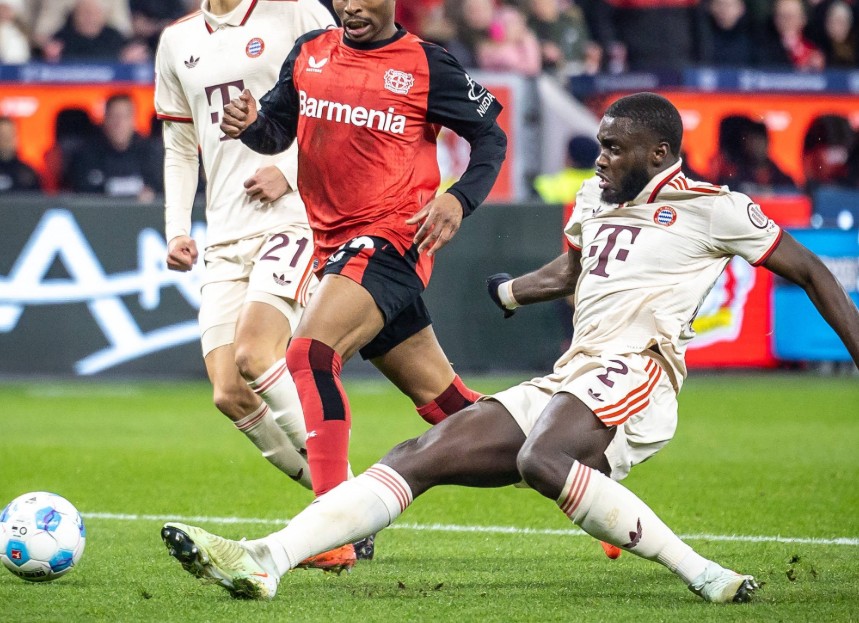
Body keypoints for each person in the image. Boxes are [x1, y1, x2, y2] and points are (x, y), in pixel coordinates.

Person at [160, 92, 859, 602]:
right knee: (417, 454)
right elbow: (571, 272)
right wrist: (513, 293)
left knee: (541, 459)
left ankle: (704, 574)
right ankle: (266, 558)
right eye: (600, 145)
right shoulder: (594, 200)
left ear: (659, 154)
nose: (600, 158)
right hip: (573, 375)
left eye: (615, 149)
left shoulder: (716, 208)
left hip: (639, 372)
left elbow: (811, 272)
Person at [216, 0, 506, 567]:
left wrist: (458, 198)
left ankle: (330, 530)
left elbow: (490, 138)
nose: (350, 6)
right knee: (452, 408)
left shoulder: (427, 64)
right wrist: (251, 125)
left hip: (392, 237)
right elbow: (277, 133)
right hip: (334, 246)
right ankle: (576, 467)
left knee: (309, 355)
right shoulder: (310, 52)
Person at [154, 0, 335, 492]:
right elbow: (179, 146)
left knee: (255, 353)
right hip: (224, 233)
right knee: (229, 392)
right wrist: (177, 229)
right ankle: (345, 498)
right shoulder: (177, 40)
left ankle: (344, 502)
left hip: (294, 217)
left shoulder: (298, 12)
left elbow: (343, 106)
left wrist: (290, 172)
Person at [63, 93, 162, 200]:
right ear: (105, 120)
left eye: (125, 117)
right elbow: (81, 195)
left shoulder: (152, 154)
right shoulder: (85, 155)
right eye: (114, 116)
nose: (119, 123)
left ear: (133, 120)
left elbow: (162, 190)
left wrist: (152, 195)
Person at [0, 116, 42, 193]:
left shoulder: (28, 173)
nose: (7, 140)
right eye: (2, 135)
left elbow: (37, 199)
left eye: (11, 135)